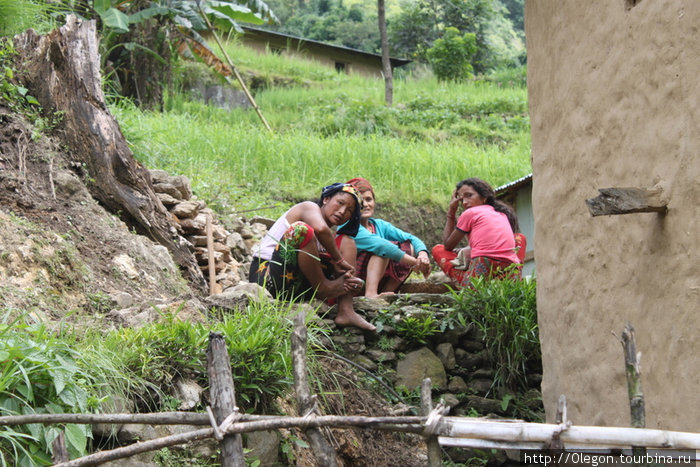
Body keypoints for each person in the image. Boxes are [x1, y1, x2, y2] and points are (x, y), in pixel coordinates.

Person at [249, 183, 375, 331]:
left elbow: (326, 235)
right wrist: (337, 260)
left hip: (300, 288)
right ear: (326, 199)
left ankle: (346, 310)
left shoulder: (332, 239)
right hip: (268, 278)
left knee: (347, 242)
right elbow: (320, 229)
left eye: (349, 210)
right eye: (340, 203)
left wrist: (348, 281)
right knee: (301, 230)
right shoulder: (308, 207)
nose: (342, 211)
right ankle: (324, 286)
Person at [346, 177, 431, 297]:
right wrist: (415, 263)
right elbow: (382, 246)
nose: (365, 204)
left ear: (374, 202)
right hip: (353, 282)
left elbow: (411, 238)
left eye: (369, 199)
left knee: (408, 246)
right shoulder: (348, 227)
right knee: (382, 250)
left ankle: (386, 293)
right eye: (360, 201)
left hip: (377, 278)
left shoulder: (379, 225)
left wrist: (423, 254)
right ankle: (371, 295)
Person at [432, 177, 523, 287]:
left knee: (438, 249)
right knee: (519, 238)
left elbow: (448, 245)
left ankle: (464, 281)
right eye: (461, 200)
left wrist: (451, 212)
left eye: (469, 196)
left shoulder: (470, 213)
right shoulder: (502, 214)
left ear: (484, 197)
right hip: (511, 268)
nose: (464, 202)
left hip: (483, 266)